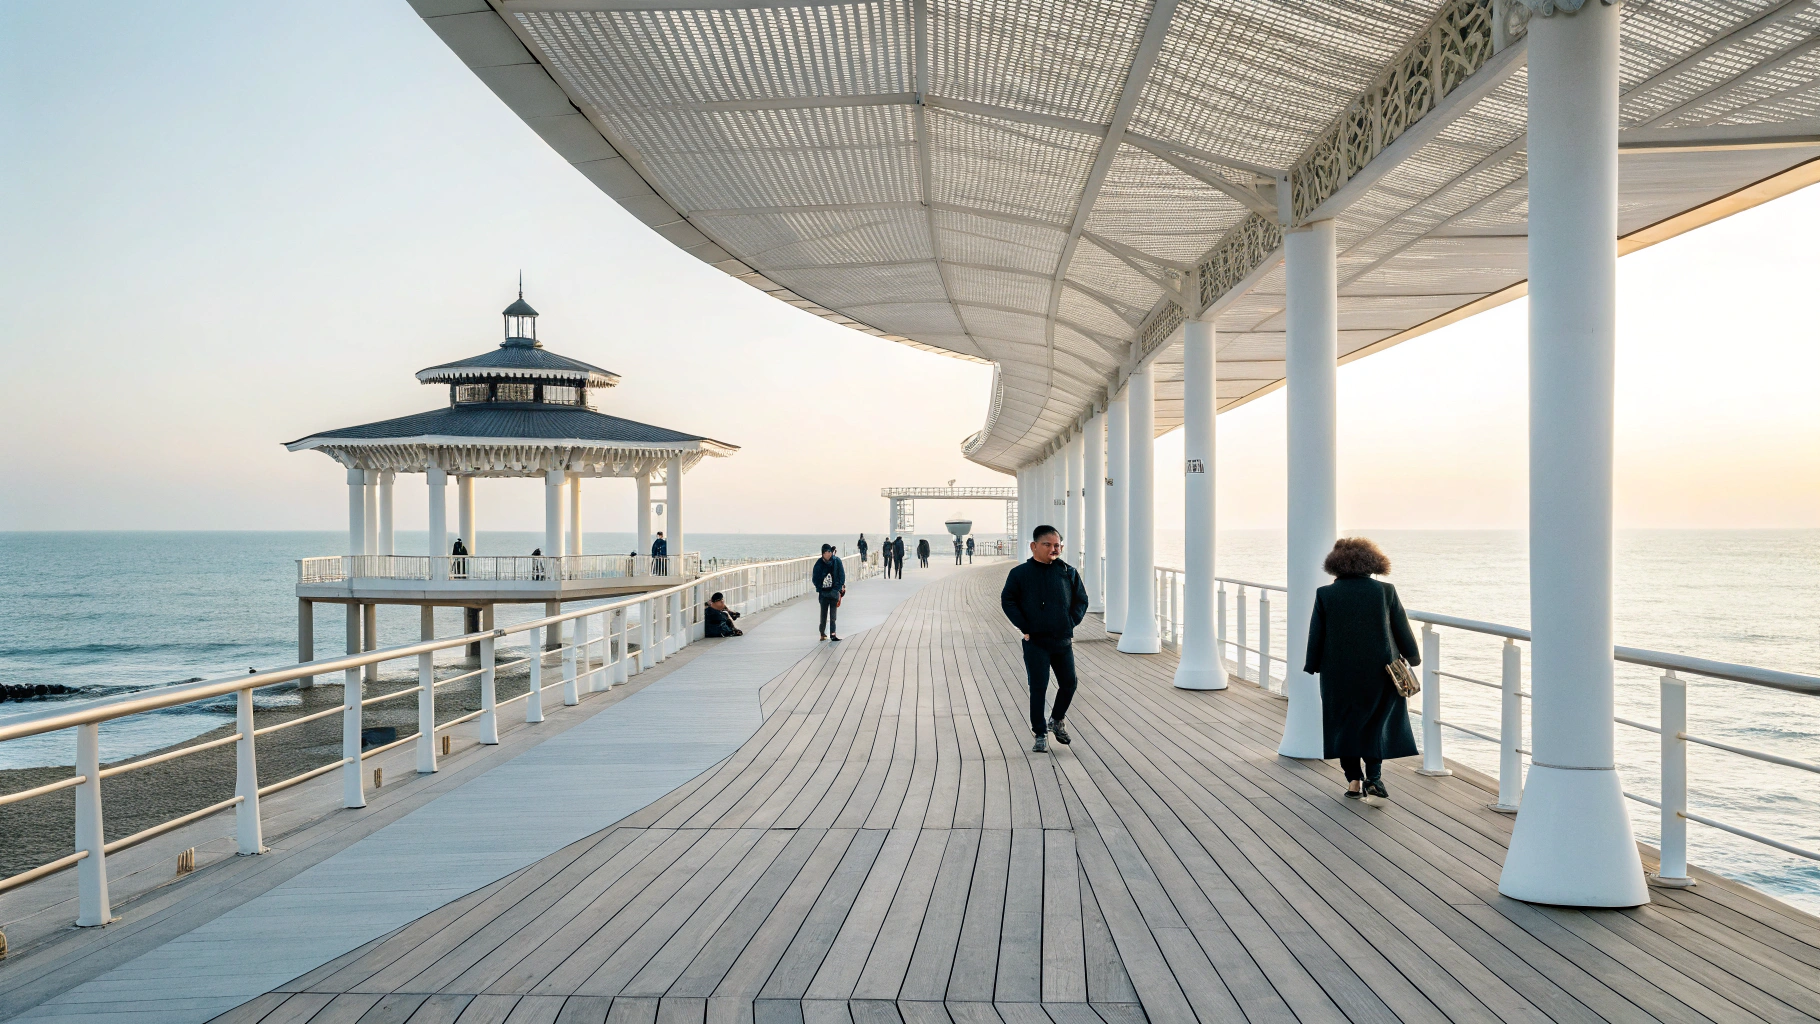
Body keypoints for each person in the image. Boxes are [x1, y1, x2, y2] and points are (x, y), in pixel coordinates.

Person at [1304, 536, 1421, 802]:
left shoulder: (1326, 594)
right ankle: (1375, 778)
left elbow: (1316, 634)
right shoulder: (1385, 591)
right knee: (1375, 725)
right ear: (1373, 563)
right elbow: (1401, 628)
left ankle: (1354, 782)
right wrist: (1413, 658)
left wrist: (1312, 665)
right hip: (1381, 672)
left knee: (1345, 725)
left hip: (1338, 674)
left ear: (1336, 565)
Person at [1000, 525, 1089, 753]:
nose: (1053, 548)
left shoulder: (1067, 572)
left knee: (1069, 683)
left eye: (1057, 545)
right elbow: (1008, 600)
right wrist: (1024, 626)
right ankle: (1040, 733)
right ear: (1034, 546)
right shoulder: (1020, 574)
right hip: (1036, 641)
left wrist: (1070, 622)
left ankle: (1056, 719)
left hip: (1062, 641)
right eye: (1047, 544)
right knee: (1038, 687)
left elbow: (1081, 600)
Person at [812, 544, 846, 641]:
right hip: (823, 593)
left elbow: (842, 575)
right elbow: (815, 578)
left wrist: (838, 588)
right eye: (826, 552)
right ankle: (822, 633)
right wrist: (820, 588)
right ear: (822, 553)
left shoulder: (837, 561)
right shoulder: (819, 563)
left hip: (834, 592)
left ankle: (833, 634)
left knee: (833, 616)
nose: (828, 554)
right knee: (823, 615)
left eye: (829, 552)